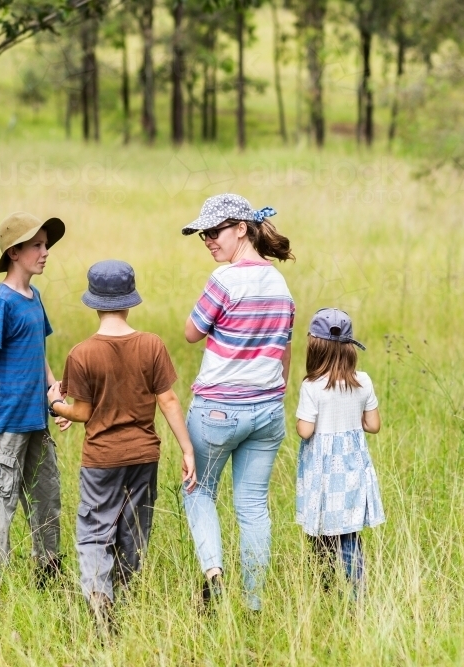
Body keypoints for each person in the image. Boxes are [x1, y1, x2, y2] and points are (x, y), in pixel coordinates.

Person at [47, 259, 197, 631]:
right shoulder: (152, 345)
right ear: (130, 301)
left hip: (101, 459)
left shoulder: (82, 353)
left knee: (95, 531)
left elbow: (81, 411)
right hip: (144, 455)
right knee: (133, 530)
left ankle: (100, 597)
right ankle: (125, 596)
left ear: (93, 303)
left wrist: (56, 406)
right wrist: (187, 449)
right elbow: (170, 401)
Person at [180, 193, 296, 611]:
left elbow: (191, 333)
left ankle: (213, 573)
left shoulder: (224, 280)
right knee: (252, 506)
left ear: (241, 229)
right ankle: (253, 601)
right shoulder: (281, 285)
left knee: (197, 490)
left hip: (217, 410)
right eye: (203, 235)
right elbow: (284, 350)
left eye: (213, 232)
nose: (208, 240)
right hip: (268, 410)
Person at [0, 211, 66, 588]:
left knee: (47, 498)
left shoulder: (34, 297)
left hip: (36, 423)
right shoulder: (1, 303)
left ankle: (49, 574)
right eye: (37, 245)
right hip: (7, 424)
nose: (45, 252)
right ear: (14, 252)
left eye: (46, 245)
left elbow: (37, 351)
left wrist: (53, 391)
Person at [294, 308, 384, 593]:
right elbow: (373, 425)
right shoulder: (363, 381)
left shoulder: (312, 386)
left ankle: (325, 588)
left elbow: (305, 430)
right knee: (350, 534)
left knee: (321, 531)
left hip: (322, 473)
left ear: (315, 347)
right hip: (352, 472)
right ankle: (359, 593)